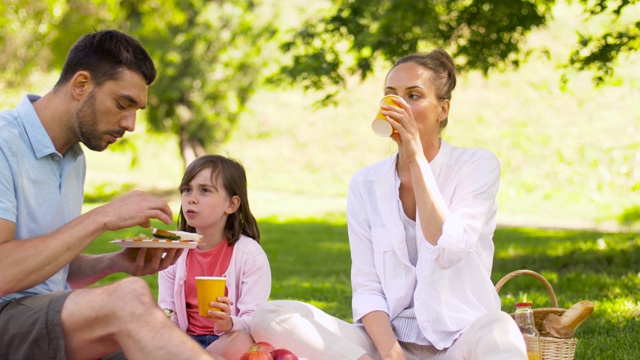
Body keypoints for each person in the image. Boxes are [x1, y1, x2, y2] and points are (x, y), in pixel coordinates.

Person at [250, 49, 528, 359]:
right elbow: (368, 287)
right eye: (390, 94)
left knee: (501, 329)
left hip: (457, 343)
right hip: (387, 345)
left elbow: (447, 246)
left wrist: (414, 156)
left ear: (442, 109)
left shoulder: (476, 166)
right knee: (269, 316)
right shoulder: (365, 184)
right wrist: (390, 352)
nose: (399, 105)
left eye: (414, 95)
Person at [0, 30, 218, 359]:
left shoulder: (74, 159)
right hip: (8, 317)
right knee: (127, 300)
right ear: (81, 85)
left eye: (136, 110)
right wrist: (103, 217)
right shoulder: (5, 143)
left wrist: (114, 262)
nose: (130, 124)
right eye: (122, 104)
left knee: (155, 335)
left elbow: (50, 265)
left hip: (41, 315)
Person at [159, 154, 271, 359]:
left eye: (204, 190)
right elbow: (168, 312)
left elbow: (254, 319)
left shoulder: (250, 255)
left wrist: (229, 323)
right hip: (185, 341)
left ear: (232, 204)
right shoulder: (173, 253)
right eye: (187, 190)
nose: (191, 198)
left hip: (227, 340)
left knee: (242, 341)